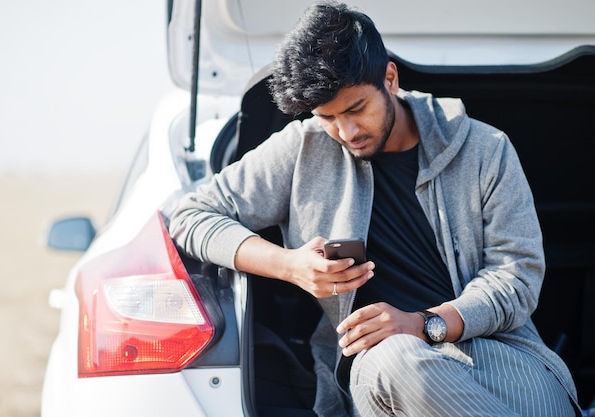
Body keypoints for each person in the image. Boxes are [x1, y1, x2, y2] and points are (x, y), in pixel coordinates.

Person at [170, 1, 580, 416]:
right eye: (327, 117)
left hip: (505, 360)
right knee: (394, 354)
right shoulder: (302, 148)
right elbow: (190, 216)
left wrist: (422, 323)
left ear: (390, 78)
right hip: (384, 369)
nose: (346, 132)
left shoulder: (485, 149)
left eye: (355, 109)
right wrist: (289, 265)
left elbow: (517, 276)